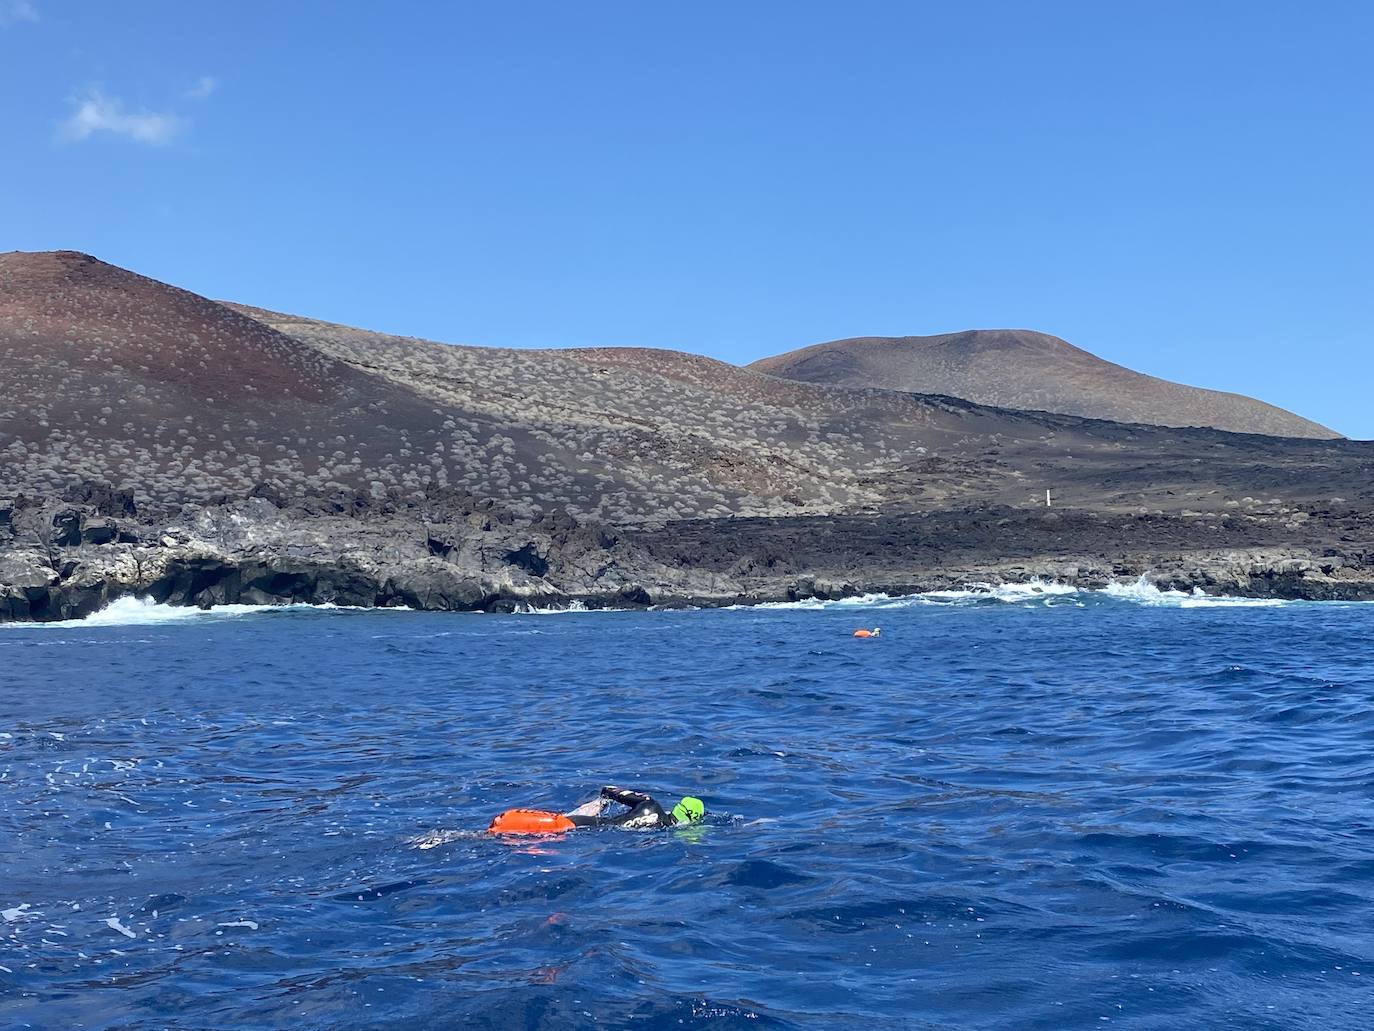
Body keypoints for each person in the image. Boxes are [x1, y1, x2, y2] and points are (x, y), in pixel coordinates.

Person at [565, 785, 705, 829]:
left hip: (579, 822)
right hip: (590, 836)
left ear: (678, 807)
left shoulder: (650, 804)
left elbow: (609, 790)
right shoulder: (664, 831)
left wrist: (600, 804)